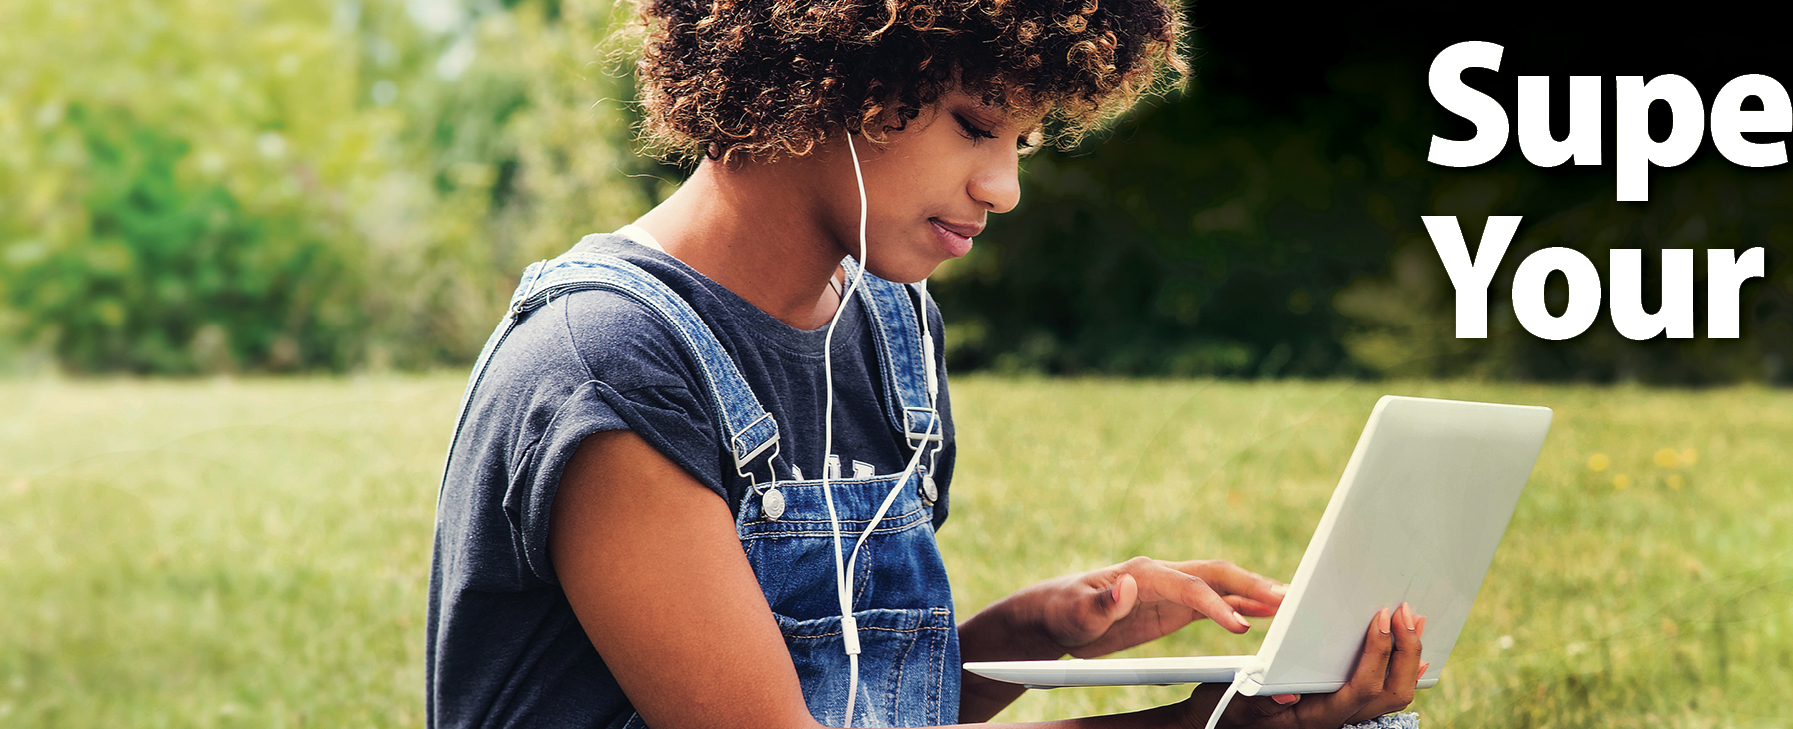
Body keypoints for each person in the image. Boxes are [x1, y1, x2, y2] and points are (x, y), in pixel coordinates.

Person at [424, 2, 1427, 728]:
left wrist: (1041, 631)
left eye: (1026, 139)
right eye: (976, 127)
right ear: (824, 70)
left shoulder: (889, 322)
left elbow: (871, 706)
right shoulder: (610, 365)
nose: (1004, 187)